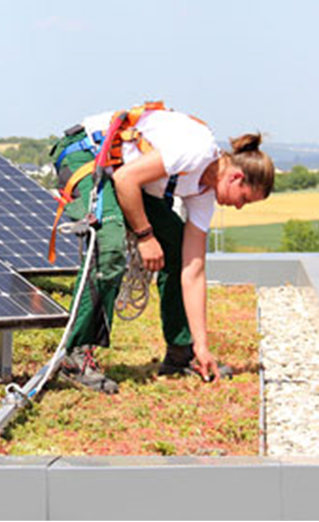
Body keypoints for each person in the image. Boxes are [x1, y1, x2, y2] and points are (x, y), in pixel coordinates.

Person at [50, 103, 275, 394]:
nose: (240, 207)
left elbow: (193, 271)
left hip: (125, 176)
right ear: (236, 177)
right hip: (89, 156)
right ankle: (75, 356)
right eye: (245, 198)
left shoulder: (204, 194)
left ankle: (182, 353)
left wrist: (202, 345)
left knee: (177, 246)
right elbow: (125, 179)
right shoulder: (196, 150)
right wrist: (145, 237)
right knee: (110, 244)